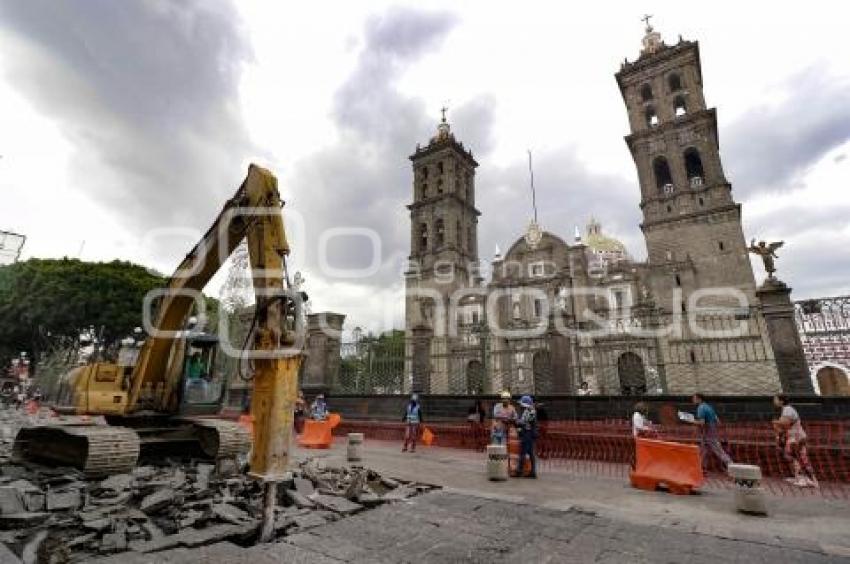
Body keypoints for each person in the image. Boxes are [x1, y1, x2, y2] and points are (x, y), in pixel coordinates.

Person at [772, 394, 818, 488]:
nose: (774, 401)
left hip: (797, 438)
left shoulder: (788, 409)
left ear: (781, 401)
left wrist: (775, 422)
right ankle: (800, 477)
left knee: (799, 457)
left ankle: (808, 480)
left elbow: (786, 423)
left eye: (775, 399)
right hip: (793, 437)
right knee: (792, 456)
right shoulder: (785, 410)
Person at [685, 393, 732, 472]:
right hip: (710, 431)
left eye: (694, 398)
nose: (692, 400)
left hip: (708, 432)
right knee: (703, 451)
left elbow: (702, 422)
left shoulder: (701, 408)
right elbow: (717, 419)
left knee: (718, 450)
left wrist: (691, 421)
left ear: (699, 399)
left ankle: (732, 465)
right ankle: (701, 468)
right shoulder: (708, 406)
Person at [513, 395, 538, 478]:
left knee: (523, 452)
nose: (520, 405)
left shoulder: (531, 411)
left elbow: (523, 422)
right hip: (528, 433)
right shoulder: (528, 410)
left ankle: (519, 471)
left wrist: (516, 422)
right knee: (530, 453)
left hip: (528, 433)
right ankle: (532, 472)